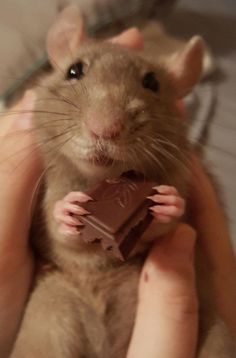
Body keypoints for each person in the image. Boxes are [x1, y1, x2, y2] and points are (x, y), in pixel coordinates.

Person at [0, 29, 235, 358]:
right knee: (46, 321)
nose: (106, 126)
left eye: (150, 84)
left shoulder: (171, 164)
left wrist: (163, 217)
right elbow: (61, 243)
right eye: (75, 71)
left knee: (218, 338)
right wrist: (66, 224)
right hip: (61, 288)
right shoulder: (42, 156)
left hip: (141, 288)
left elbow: (161, 232)